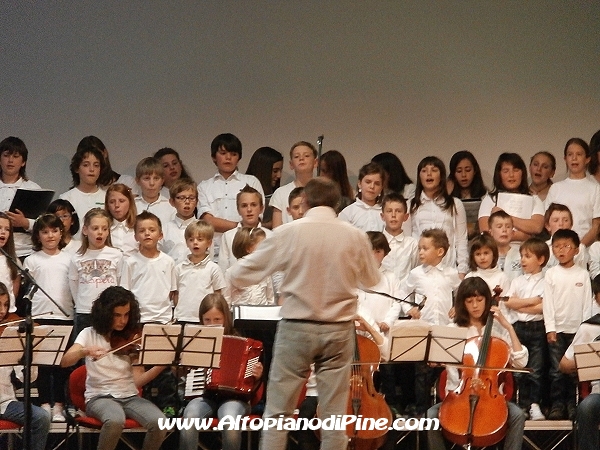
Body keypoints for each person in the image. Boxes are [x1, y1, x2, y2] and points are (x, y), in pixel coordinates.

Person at [228, 177, 381, 450]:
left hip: (297, 327)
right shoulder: (354, 235)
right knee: (334, 417)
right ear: (337, 203)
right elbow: (372, 280)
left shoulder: (289, 232)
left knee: (278, 414)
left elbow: (241, 272)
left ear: (306, 202)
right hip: (338, 329)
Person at [60, 286, 167, 450]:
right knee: (115, 420)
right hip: (99, 397)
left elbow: (138, 380)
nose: (123, 320)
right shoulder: (89, 333)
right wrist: (85, 351)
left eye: (126, 315)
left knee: (160, 423)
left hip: (130, 396)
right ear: (105, 313)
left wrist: (161, 366)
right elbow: (65, 361)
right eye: (117, 315)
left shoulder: (131, 337)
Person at [427, 276, 527, 450]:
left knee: (518, 415)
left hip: (491, 399)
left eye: (479, 300)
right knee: (431, 415)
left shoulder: (498, 331)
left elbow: (521, 362)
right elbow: (435, 360)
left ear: (487, 301)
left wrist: (508, 327)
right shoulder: (453, 331)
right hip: (457, 397)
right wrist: (435, 360)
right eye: (469, 301)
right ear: (462, 304)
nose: (475, 305)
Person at [180, 293, 263, 450]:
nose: (212, 324)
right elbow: (184, 376)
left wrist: (257, 376)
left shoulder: (242, 343)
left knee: (229, 420)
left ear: (226, 318)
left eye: (217, 319)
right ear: (201, 320)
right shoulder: (197, 342)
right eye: (207, 320)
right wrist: (185, 368)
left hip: (236, 399)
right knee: (189, 418)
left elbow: (251, 386)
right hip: (205, 397)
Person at [397, 228, 461, 415]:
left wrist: (457, 306)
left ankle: (447, 409)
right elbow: (402, 293)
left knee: (447, 372)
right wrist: (409, 308)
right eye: (419, 248)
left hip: (445, 329)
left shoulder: (451, 274)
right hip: (424, 330)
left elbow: (461, 292)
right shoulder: (416, 274)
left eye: (425, 248)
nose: (421, 252)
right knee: (421, 374)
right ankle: (421, 411)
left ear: (440, 251)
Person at [24, 213, 73, 422]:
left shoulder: (70, 258)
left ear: (61, 233)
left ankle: (59, 406)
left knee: (62, 366)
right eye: (45, 232)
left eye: (54, 231)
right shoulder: (32, 260)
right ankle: (45, 403)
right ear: (38, 236)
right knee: (43, 365)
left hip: (65, 316)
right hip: (41, 316)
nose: (50, 235)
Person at [543, 228, 592, 420]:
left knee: (573, 371)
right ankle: (557, 405)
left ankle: (572, 404)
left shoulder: (582, 275)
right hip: (558, 330)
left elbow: (587, 304)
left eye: (566, 246)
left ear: (576, 249)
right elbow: (548, 303)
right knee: (556, 371)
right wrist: (550, 328)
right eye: (557, 246)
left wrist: (584, 330)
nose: (561, 250)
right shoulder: (551, 274)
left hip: (577, 331)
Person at [503, 237, 549, 421]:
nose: (522, 260)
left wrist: (520, 305)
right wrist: (532, 300)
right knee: (519, 369)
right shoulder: (517, 281)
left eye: (527, 256)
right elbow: (509, 302)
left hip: (538, 327)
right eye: (522, 256)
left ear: (541, 259)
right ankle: (520, 405)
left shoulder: (547, 281)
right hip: (519, 328)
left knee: (535, 369)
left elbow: (543, 307)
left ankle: (534, 405)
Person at [197, 134, 264, 258]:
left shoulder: (251, 182)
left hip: (247, 250)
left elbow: (257, 218)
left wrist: (240, 227)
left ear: (239, 158)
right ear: (213, 157)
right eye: (223, 153)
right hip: (213, 253)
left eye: (233, 154)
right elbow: (208, 221)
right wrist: (241, 226)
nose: (228, 158)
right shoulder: (204, 186)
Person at [0, 282, 50, 450]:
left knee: (41, 417)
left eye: (6, 305)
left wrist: (29, 357)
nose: (2, 311)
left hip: (5, 402)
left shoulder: (10, 334)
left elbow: (24, 378)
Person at [559, 274, 600, 450]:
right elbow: (564, 365)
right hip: (599, 393)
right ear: (596, 298)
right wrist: (587, 358)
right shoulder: (589, 328)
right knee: (586, 408)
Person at [410, 156, 468, 276]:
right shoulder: (411, 205)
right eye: (424, 171)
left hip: (448, 267)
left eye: (434, 170)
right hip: (420, 268)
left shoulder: (455, 204)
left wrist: (462, 270)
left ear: (441, 176)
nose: (429, 174)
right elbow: (407, 239)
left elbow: (461, 239)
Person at [69, 208, 122, 336]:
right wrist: (82, 304)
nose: (100, 233)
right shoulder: (77, 257)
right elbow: (74, 286)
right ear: (85, 230)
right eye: (95, 228)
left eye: (104, 229)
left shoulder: (116, 254)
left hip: (110, 311)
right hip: (85, 311)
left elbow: (120, 282)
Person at [120, 212, 176, 324]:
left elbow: (172, 292)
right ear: (135, 237)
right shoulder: (130, 262)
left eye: (152, 230)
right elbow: (126, 292)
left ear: (160, 235)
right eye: (142, 231)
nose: (147, 234)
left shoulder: (168, 261)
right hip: (139, 319)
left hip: (164, 319)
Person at [545, 137, 600, 246]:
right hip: (558, 249)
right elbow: (548, 221)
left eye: (579, 154)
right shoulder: (556, 188)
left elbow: (596, 225)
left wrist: (579, 248)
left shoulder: (595, 188)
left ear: (587, 159)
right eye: (570, 154)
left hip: (584, 249)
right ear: (565, 158)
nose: (574, 158)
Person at [478, 153, 545, 242]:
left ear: (522, 173)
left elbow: (537, 227)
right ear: (499, 174)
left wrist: (504, 216)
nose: (511, 175)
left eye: (516, 170)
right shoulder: (490, 199)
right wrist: (523, 235)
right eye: (506, 171)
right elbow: (485, 231)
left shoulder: (534, 199)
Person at [174, 220, 225, 323]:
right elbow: (176, 294)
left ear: (209, 243)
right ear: (187, 243)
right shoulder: (179, 268)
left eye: (200, 239)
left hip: (204, 319)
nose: (195, 243)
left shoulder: (213, 268)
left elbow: (217, 295)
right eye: (191, 240)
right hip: (182, 318)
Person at [0, 136, 43, 258]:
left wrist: (25, 222)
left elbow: (44, 225)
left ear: (23, 162)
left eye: (15, 156)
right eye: (6, 155)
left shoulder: (33, 189)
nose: (10, 160)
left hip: (25, 252)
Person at [219, 185, 272, 272]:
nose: (249, 209)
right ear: (238, 210)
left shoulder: (270, 236)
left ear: (261, 208)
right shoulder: (228, 236)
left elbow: (274, 270)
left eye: (253, 205)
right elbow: (223, 269)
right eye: (244, 206)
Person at [59, 144, 107, 238]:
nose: (92, 169)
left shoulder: (107, 197)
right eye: (86, 165)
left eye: (96, 165)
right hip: (72, 250)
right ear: (77, 168)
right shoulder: (66, 198)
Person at [270, 141, 317, 227]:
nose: (301, 159)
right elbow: (276, 229)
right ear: (291, 164)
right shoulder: (280, 193)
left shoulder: (323, 191)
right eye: (296, 156)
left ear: (315, 162)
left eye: (306, 156)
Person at [225, 227, 274, 306]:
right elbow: (226, 301)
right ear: (248, 248)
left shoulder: (265, 271)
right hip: (241, 316)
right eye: (263, 245)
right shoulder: (230, 273)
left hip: (262, 316)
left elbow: (270, 299)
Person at [379, 192, 418, 285]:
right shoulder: (376, 243)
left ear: (406, 216)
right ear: (382, 216)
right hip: (382, 294)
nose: (393, 215)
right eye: (389, 211)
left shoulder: (412, 244)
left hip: (404, 296)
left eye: (398, 211)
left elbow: (416, 271)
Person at [447, 150, 487, 239]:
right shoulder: (447, 194)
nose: (464, 175)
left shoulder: (485, 195)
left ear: (475, 171)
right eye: (459, 171)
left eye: (468, 170)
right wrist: (446, 196)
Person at [160, 179, 199, 264]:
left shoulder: (203, 228)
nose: (187, 202)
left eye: (191, 198)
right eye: (181, 198)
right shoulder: (164, 229)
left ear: (197, 202)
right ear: (172, 202)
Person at [338, 162, 385, 232]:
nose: (372, 187)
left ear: (381, 188)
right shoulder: (348, 213)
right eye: (368, 182)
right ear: (359, 184)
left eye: (377, 184)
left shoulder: (386, 213)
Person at [245, 146, 284, 228]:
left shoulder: (278, 195)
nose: (279, 175)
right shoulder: (242, 193)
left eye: (280, 170)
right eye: (275, 171)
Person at [543, 203, 587, 272]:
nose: (561, 224)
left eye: (565, 220)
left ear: (571, 224)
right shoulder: (543, 248)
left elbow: (582, 273)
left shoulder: (580, 248)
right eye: (556, 220)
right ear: (548, 226)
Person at [134, 157, 175, 227]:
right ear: (138, 181)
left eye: (156, 178)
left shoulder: (171, 207)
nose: (152, 183)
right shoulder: (132, 205)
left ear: (162, 181)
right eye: (147, 178)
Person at [105, 183, 138, 259]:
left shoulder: (138, 226)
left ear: (130, 202)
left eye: (122, 201)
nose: (117, 205)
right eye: (112, 202)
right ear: (107, 205)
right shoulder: (104, 229)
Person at [488, 211, 522, 283]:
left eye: (508, 227)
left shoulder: (521, 255)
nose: (504, 230)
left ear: (513, 232)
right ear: (490, 232)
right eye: (499, 226)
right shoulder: (486, 256)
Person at [0, 212, 20, 312]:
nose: (3, 232)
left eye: (7, 229)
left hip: (7, 313)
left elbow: (15, 287)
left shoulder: (12, 259)